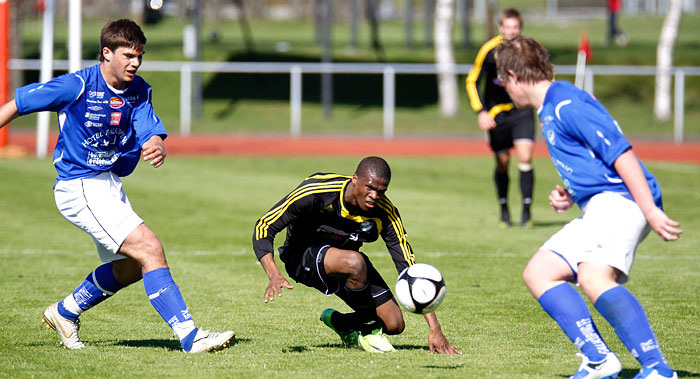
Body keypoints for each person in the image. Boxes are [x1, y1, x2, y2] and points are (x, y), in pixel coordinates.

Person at [0, 19, 234, 353]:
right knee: (150, 247)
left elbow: (148, 128)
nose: (135, 63)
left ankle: (65, 312)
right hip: (78, 185)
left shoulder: (138, 89)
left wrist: (156, 143)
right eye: (128, 55)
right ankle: (189, 335)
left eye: (139, 56)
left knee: (132, 266)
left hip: (108, 185)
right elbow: (18, 104)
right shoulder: (77, 86)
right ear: (106, 53)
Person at [496, 36, 682, 379]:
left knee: (594, 277)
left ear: (512, 75)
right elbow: (590, 159)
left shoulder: (567, 104)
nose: (504, 89)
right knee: (540, 272)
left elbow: (621, 155)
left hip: (623, 201)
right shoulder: (551, 105)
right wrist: (570, 191)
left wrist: (651, 212)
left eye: (502, 82)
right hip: (600, 203)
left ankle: (657, 369)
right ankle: (599, 358)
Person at [252, 156, 461, 354]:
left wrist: (435, 328)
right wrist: (273, 274)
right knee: (355, 261)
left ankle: (341, 323)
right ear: (355, 180)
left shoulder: (385, 212)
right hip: (301, 257)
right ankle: (370, 333)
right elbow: (264, 226)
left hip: (347, 263)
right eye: (370, 188)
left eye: (381, 191)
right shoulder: (315, 192)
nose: (374, 196)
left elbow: (409, 268)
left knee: (394, 323)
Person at [465, 8, 536, 228]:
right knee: (503, 163)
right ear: (500, 28)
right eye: (508, 27)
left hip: (522, 111)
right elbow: (472, 81)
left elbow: (544, 77)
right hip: (497, 115)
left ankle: (526, 212)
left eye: (516, 27)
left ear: (520, 28)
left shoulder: (528, 50)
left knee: (525, 158)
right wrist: (481, 111)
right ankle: (504, 209)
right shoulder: (489, 50)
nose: (512, 31)